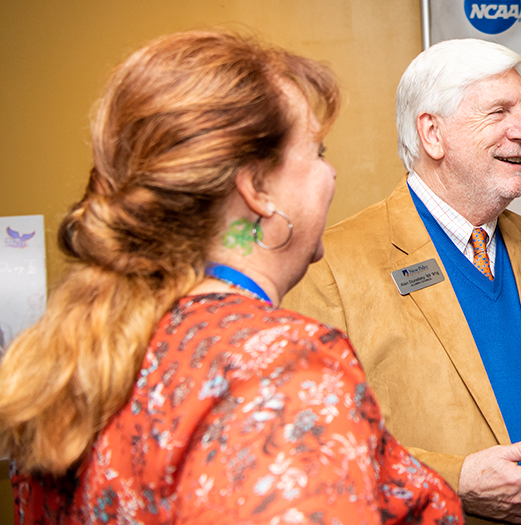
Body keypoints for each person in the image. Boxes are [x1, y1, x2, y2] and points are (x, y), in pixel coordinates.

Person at [0, 31, 463, 524]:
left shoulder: (74, 356)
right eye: (318, 152)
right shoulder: (282, 366)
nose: (331, 175)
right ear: (257, 188)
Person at [283, 38, 521, 525]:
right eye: (500, 111)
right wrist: (453, 482)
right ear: (433, 134)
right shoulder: (331, 266)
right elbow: (312, 448)